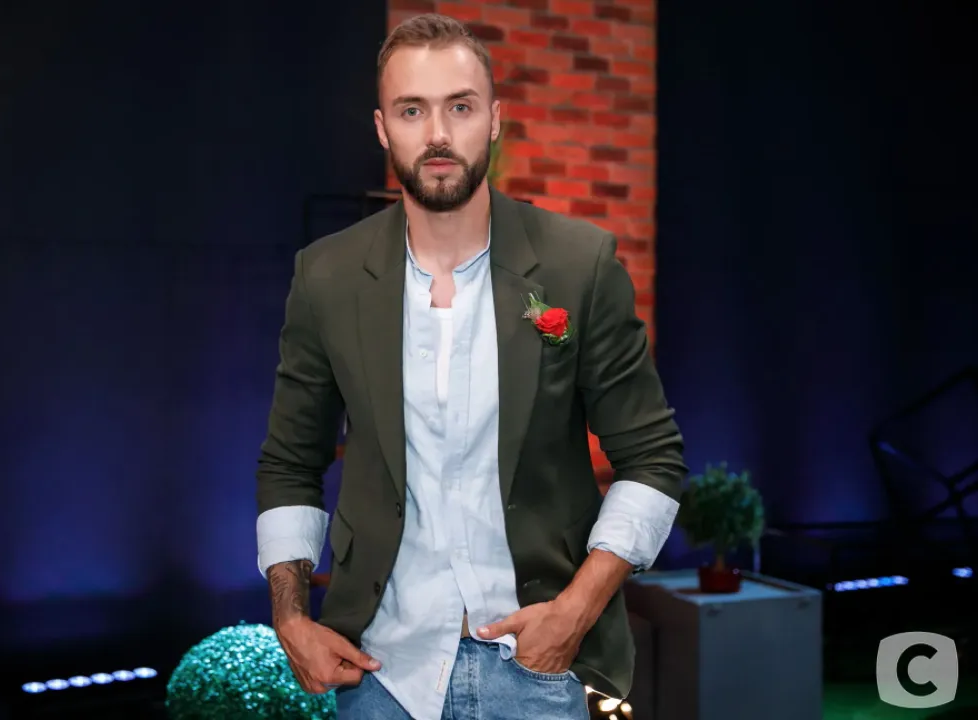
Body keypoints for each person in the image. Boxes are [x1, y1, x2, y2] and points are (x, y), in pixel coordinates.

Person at [255, 13, 686, 720]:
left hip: (537, 666)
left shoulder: (578, 264)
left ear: (494, 119)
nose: (437, 134)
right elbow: (289, 462)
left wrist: (573, 613)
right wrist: (290, 617)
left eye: (459, 107)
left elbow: (653, 459)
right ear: (382, 128)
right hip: (382, 672)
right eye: (412, 110)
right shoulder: (327, 276)